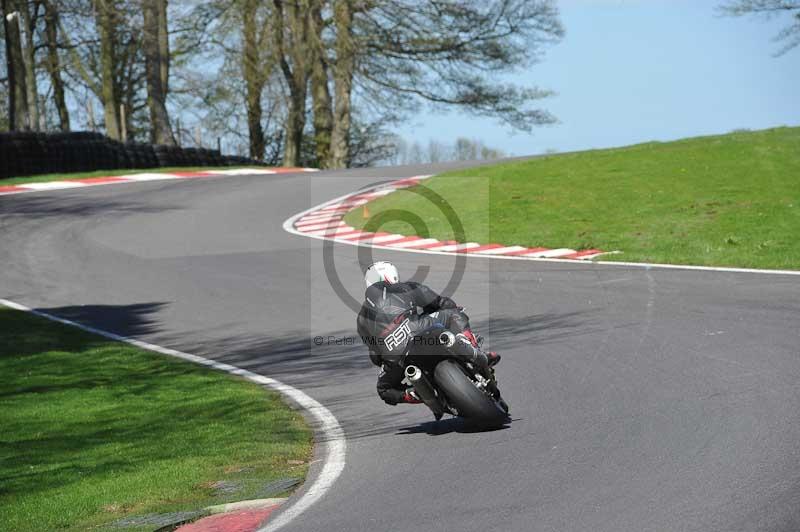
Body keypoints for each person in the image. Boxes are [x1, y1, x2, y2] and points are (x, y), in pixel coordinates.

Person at [356, 260, 500, 406]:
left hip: (395, 356)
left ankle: (413, 393)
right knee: (453, 313)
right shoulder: (406, 287)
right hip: (420, 330)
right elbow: (442, 303)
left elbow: (375, 357)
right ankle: (472, 347)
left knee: (384, 389)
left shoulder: (361, 320)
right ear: (392, 276)